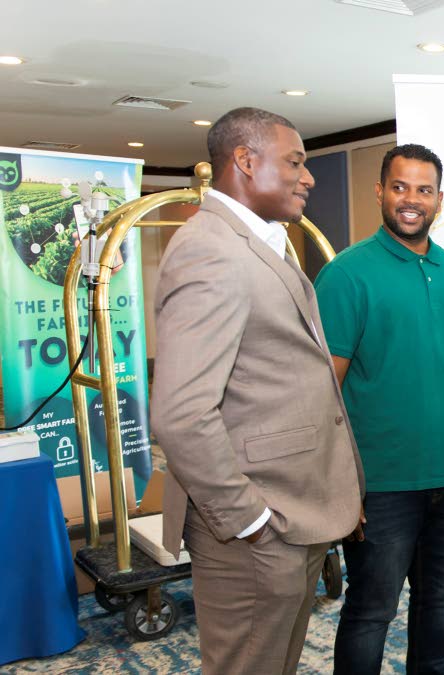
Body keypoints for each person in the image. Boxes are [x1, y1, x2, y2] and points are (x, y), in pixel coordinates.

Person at [151, 107, 365, 674]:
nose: (309, 176)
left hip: (292, 515)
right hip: (256, 529)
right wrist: (249, 521)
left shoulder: (259, 241)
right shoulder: (211, 251)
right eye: (295, 161)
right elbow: (180, 414)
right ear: (245, 161)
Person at [316, 143, 444, 675]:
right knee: (371, 612)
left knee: (437, 605)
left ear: (440, 200)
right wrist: (338, 481)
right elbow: (325, 389)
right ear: (380, 191)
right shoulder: (348, 275)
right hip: (381, 486)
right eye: (400, 187)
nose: (411, 200)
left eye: (424, 190)